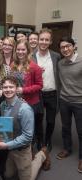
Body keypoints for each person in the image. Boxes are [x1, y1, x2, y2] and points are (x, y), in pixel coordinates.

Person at [0, 75, 34, 180]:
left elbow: (27, 137)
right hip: (10, 150)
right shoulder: (3, 104)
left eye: (11, 87)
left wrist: (6, 145)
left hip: (22, 150)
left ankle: (41, 156)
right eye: (5, 87)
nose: (8, 90)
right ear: (2, 89)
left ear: (17, 88)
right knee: (8, 175)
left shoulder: (25, 109)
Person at [11, 40, 43, 150]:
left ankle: (29, 151)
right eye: (18, 49)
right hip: (15, 102)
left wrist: (24, 90)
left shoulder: (34, 67)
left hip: (30, 103)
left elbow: (39, 85)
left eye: (23, 49)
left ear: (28, 51)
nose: (20, 52)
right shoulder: (13, 65)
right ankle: (18, 148)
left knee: (28, 129)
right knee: (17, 126)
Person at [56, 37, 82, 173]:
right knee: (65, 127)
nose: (65, 49)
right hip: (64, 100)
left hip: (80, 102)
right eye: (62, 47)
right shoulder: (60, 63)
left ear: (73, 46)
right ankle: (67, 148)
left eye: (68, 46)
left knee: (81, 130)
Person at [33, 28, 61, 151]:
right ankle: (40, 140)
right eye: (42, 39)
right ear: (38, 40)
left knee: (50, 120)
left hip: (52, 93)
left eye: (47, 40)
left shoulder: (56, 56)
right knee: (38, 119)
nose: (44, 42)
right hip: (37, 93)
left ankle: (48, 139)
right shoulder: (31, 56)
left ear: (50, 42)